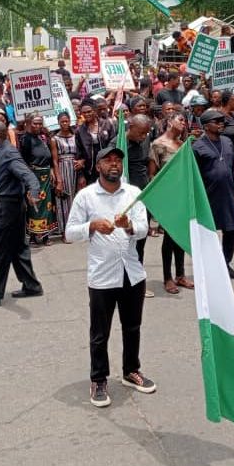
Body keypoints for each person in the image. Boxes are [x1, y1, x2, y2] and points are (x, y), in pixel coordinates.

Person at [64, 145, 155, 408]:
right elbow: (70, 233)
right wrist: (91, 226)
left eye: (118, 160)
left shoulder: (134, 194)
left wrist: (129, 227)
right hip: (102, 276)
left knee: (132, 327)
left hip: (132, 274)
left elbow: (143, 229)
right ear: (98, 167)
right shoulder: (86, 196)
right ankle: (99, 379)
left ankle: (130, 370)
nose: (114, 164)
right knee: (99, 333)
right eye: (108, 161)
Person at [0, 121, 45, 307]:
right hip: (11, 207)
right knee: (17, 248)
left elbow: (28, 176)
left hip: (7, 209)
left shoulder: (9, 153)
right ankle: (32, 285)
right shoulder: (0, 152)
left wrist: (34, 192)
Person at [192, 109, 234, 279]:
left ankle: (225, 264)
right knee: (209, 233)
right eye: (216, 121)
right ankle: (210, 266)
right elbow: (195, 174)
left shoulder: (227, 141)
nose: (221, 123)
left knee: (231, 230)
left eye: (222, 120)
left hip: (228, 194)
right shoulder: (198, 146)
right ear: (206, 126)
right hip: (209, 196)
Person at [149, 111, 191, 294]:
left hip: (182, 196)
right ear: (169, 122)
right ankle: (167, 277)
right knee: (169, 237)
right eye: (180, 119)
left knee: (180, 236)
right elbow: (152, 175)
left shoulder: (183, 145)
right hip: (167, 197)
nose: (184, 123)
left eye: (185, 120)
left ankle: (180, 275)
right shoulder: (157, 145)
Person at [125, 114, 154, 294]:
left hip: (143, 198)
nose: (143, 137)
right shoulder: (118, 144)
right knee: (125, 244)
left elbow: (147, 163)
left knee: (140, 241)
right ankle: (125, 282)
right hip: (126, 201)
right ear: (131, 127)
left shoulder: (145, 141)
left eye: (146, 133)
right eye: (141, 133)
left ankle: (137, 282)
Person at [19, 114, 57, 246]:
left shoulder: (43, 137)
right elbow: (23, 160)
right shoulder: (25, 139)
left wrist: (51, 169)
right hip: (33, 176)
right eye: (35, 123)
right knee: (34, 205)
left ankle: (46, 235)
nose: (38, 126)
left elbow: (49, 156)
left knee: (47, 205)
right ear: (29, 123)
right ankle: (34, 236)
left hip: (46, 175)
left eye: (40, 123)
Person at [50, 111, 79, 239]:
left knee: (75, 200)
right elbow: (55, 160)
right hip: (62, 168)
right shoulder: (54, 139)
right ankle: (64, 231)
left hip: (75, 169)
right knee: (63, 201)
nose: (65, 123)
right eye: (62, 121)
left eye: (67, 121)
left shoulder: (75, 136)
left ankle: (75, 229)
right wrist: (59, 179)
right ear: (58, 123)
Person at [74, 102, 113, 187]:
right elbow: (78, 155)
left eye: (89, 111)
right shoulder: (79, 131)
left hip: (106, 165)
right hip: (89, 169)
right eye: (84, 113)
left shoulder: (107, 124)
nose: (87, 114)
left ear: (95, 111)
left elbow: (113, 144)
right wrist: (81, 176)